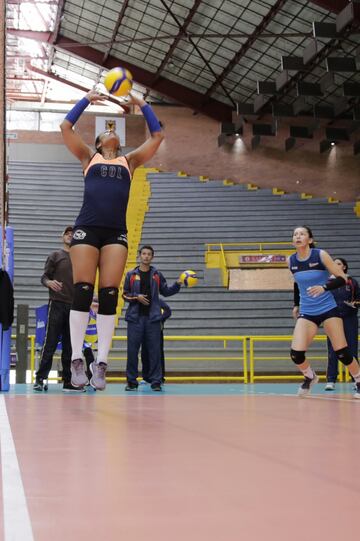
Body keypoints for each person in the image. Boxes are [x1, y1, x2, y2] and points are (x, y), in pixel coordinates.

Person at [60, 90, 164, 391]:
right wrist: (85, 100)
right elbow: (65, 128)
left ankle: (101, 362)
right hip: (87, 229)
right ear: (97, 143)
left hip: (115, 232)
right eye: (105, 131)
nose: (110, 131)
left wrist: (142, 103)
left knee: (108, 294)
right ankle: (77, 358)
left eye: (113, 129)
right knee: (82, 290)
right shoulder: (87, 157)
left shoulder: (130, 162)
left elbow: (157, 135)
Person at [289, 225, 360, 398]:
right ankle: (310, 377)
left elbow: (342, 279)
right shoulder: (290, 260)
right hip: (307, 311)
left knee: (342, 352)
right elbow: (297, 284)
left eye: (302, 234)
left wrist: (323, 287)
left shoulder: (320, 255)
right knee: (296, 354)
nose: (298, 236)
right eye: (295, 234)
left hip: (328, 309)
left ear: (310, 240)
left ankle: (358, 380)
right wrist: (296, 304)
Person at [123, 245, 181, 391]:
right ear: (139, 256)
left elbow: (166, 291)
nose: (146, 256)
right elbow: (124, 295)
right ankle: (131, 382)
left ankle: (156, 381)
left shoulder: (157, 274)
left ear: (152, 257)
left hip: (153, 319)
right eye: (144, 254)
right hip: (135, 319)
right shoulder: (131, 274)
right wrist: (137, 297)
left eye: (149, 254)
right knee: (132, 352)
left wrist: (178, 284)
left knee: (155, 351)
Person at [33, 226, 81, 392]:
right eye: (67, 234)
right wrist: (49, 283)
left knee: (70, 346)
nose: (70, 236)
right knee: (50, 343)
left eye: (72, 234)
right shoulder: (55, 255)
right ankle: (40, 378)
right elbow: (44, 277)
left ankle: (68, 381)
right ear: (62, 237)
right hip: (57, 303)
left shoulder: (81, 257)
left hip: (75, 307)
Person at [324, 258, 360, 390]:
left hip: (350, 319)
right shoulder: (327, 282)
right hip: (332, 319)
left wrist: (354, 304)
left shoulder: (352, 282)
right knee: (333, 350)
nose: (335, 265)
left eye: (338, 263)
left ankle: (356, 380)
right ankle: (331, 380)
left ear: (344, 267)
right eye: (334, 263)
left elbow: (358, 299)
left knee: (352, 349)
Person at [141, 298, 171, 384]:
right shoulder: (142, 300)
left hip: (157, 332)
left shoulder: (158, 301)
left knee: (158, 354)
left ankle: (160, 377)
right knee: (145, 353)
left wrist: (160, 319)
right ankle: (146, 377)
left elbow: (168, 311)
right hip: (144, 331)